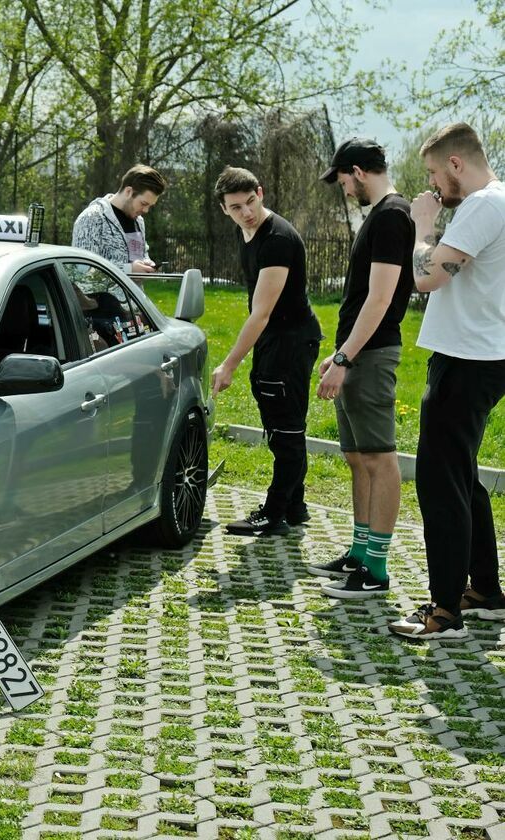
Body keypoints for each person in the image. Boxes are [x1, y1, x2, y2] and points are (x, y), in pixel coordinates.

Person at [388, 122, 505, 640]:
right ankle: (484, 590)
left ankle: (445, 611)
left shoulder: (482, 205)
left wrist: (421, 226)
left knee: (439, 480)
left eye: (435, 172)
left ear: (456, 164)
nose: (434, 185)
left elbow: (426, 277)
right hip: (481, 354)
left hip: (468, 359)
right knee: (461, 474)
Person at [311, 138, 415, 599]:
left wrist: (346, 357)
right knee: (357, 457)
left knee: (378, 457)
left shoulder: (392, 214)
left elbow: (381, 298)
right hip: (356, 351)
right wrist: (339, 353)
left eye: (343, 181)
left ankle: (376, 568)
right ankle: (358, 551)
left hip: (372, 354)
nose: (345, 190)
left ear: (357, 170)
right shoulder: (380, 214)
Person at [210, 166, 323, 536]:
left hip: (290, 340)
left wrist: (228, 364)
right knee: (279, 422)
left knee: (285, 430)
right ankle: (295, 505)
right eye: (235, 207)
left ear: (260, 192)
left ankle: (274, 513)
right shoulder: (249, 232)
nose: (246, 212)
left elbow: (261, 313)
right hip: (276, 340)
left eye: (250, 202)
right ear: (224, 210)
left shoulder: (277, 239)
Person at [72, 165, 166, 275]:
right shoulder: (91, 218)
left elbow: (141, 256)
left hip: (134, 292)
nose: (146, 210)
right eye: (143, 204)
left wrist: (147, 264)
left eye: (150, 206)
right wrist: (128, 269)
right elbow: (83, 269)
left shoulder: (139, 221)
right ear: (128, 191)